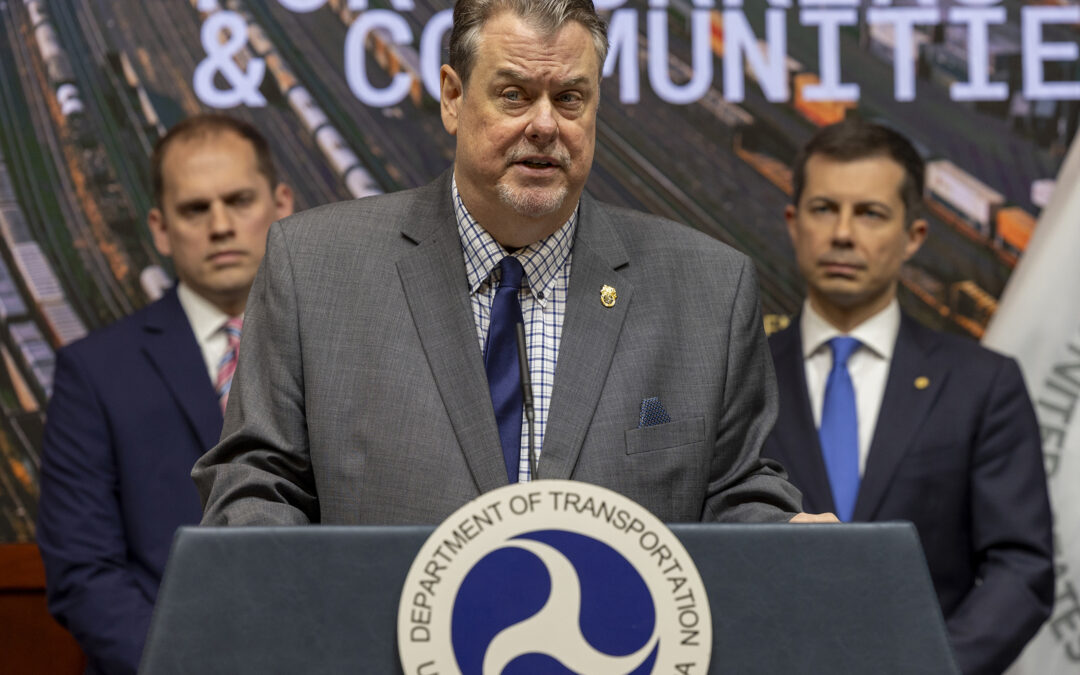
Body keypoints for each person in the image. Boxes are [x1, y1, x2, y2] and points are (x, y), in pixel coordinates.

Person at [193, 0, 826, 528]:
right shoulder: (314, 269)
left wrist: (786, 539)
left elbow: (736, 494)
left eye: (570, 97)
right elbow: (257, 486)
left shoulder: (710, 290)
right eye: (514, 95)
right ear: (452, 97)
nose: (545, 125)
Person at [761, 118, 1053, 675]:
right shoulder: (740, 377)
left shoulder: (983, 385)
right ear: (794, 223)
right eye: (824, 208)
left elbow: (1021, 569)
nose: (842, 233)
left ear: (914, 235)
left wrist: (932, 666)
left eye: (870, 213)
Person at [36, 113, 294, 675]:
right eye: (195, 209)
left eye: (239, 201)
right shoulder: (94, 372)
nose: (220, 226)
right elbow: (84, 572)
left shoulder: (346, 347)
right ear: (159, 228)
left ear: (282, 204)